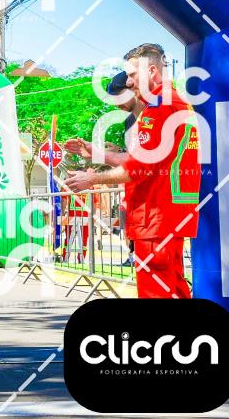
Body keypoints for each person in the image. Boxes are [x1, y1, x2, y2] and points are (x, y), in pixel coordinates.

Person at [65, 44, 200, 299]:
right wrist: (98, 154)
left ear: (152, 71)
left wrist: (92, 178)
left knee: (155, 294)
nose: (128, 82)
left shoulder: (159, 107)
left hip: (154, 215)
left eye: (132, 75)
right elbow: (145, 159)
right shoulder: (177, 103)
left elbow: (138, 168)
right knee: (175, 289)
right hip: (169, 216)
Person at [65, 71, 145, 266]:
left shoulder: (157, 114)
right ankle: (132, 255)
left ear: (133, 87)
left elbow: (140, 164)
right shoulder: (130, 120)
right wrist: (99, 154)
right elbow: (132, 159)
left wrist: (93, 178)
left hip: (156, 207)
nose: (116, 104)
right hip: (136, 200)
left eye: (118, 97)